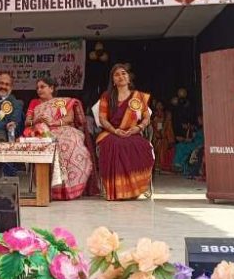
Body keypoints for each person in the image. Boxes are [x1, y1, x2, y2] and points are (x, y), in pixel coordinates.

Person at [25, 77, 93, 200]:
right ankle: (55, 190)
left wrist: (54, 123)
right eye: (37, 88)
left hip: (63, 129)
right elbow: (27, 123)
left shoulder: (63, 102)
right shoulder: (35, 105)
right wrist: (37, 120)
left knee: (71, 142)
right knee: (53, 143)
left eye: (42, 87)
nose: (39, 90)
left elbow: (69, 119)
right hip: (43, 131)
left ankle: (71, 187)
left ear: (51, 88)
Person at [96, 63, 154, 200]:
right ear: (113, 80)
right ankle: (117, 189)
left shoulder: (138, 96)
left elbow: (146, 117)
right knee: (113, 144)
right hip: (111, 132)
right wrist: (115, 131)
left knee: (140, 146)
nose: (120, 76)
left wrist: (138, 128)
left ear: (129, 78)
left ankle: (135, 189)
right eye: (116, 75)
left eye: (123, 73)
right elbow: (102, 119)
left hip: (134, 132)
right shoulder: (106, 96)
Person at [151, 101, 175, 173]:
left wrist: (163, 135)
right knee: (158, 144)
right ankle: (157, 165)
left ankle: (162, 166)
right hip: (157, 136)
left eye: (160, 105)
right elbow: (156, 128)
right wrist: (158, 134)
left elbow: (167, 128)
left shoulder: (166, 116)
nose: (159, 106)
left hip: (165, 137)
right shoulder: (155, 116)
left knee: (163, 144)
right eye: (157, 105)